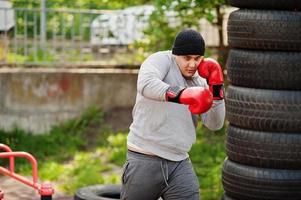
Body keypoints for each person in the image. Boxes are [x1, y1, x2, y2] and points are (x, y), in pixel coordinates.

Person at [121, 29, 225, 200]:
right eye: (187, 58)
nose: (192, 64)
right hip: (145, 158)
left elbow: (215, 124)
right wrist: (183, 95)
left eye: (197, 58)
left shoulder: (200, 79)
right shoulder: (161, 60)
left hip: (179, 163)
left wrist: (216, 87)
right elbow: (146, 84)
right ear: (175, 54)